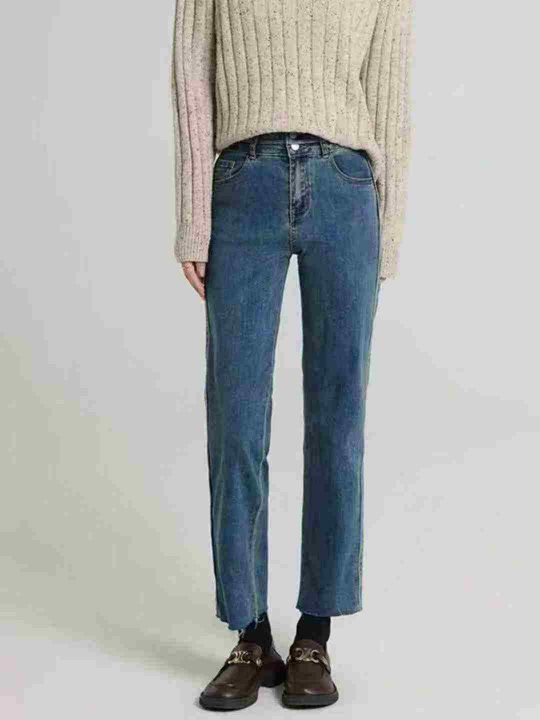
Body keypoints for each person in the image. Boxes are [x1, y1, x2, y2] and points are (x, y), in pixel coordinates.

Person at [171, 0, 414, 710]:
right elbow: (192, 76)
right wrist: (193, 219)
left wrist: (389, 234)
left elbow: (390, 96)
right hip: (241, 185)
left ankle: (315, 635)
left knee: (338, 422)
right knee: (237, 422)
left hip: (345, 189)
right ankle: (250, 635)